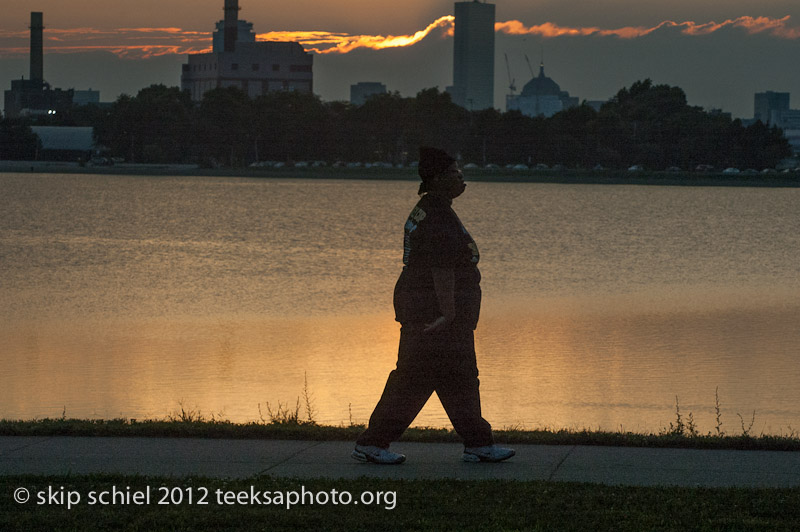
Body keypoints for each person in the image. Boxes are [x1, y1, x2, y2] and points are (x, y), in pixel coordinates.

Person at [351, 147, 515, 465]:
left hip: (433, 309)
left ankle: (478, 443)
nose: (462, 179)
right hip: (433, 313)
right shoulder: (437, 216)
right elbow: (442, 268)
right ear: (438, 179)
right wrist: (448, 312)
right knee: (415, 377)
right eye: (456, 174)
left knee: (458, 376)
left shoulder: (432, 208)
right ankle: (372, 443)